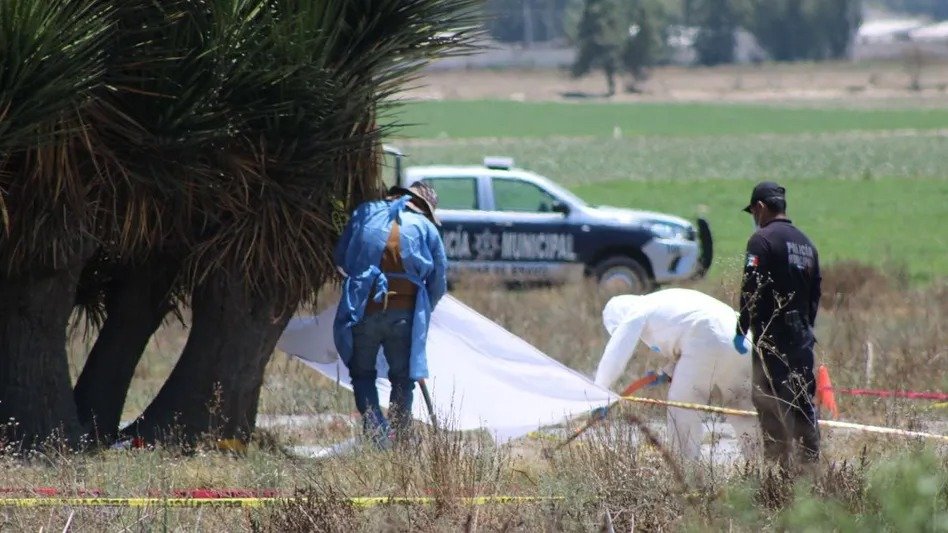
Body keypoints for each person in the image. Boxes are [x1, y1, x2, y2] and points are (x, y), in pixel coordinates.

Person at [333, 181, 448, 449]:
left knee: (362, 375)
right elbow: (438, 282)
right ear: (423, 208)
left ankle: (378, 436)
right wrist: (421, 311)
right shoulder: (426, 227)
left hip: (363, 309)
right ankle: (400, 441)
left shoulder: (364, 213)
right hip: (404, 314)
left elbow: (341, 259)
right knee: (403, 380)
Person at [593, 288, 760, 461]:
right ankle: (760, 464)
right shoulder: (661, 302)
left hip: (707, 338)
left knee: (683, 406)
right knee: (740, 406)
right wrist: (666, 373)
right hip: (741, 338)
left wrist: (598, 392)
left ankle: (686, 469)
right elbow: (687, 332)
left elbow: (615, 354)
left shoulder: (637, 311)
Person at [735, 181, 822, 469]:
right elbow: (815, 293)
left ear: (760, 207)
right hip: (802, 338)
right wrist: (805, 327)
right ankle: (811, 470)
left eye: (753, 212)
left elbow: (751, 287)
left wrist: (742, 327)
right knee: (801, 402)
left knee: (769, 402)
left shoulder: (761, 240)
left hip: (772, 337)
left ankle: (777, 470)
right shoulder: (806, 244)